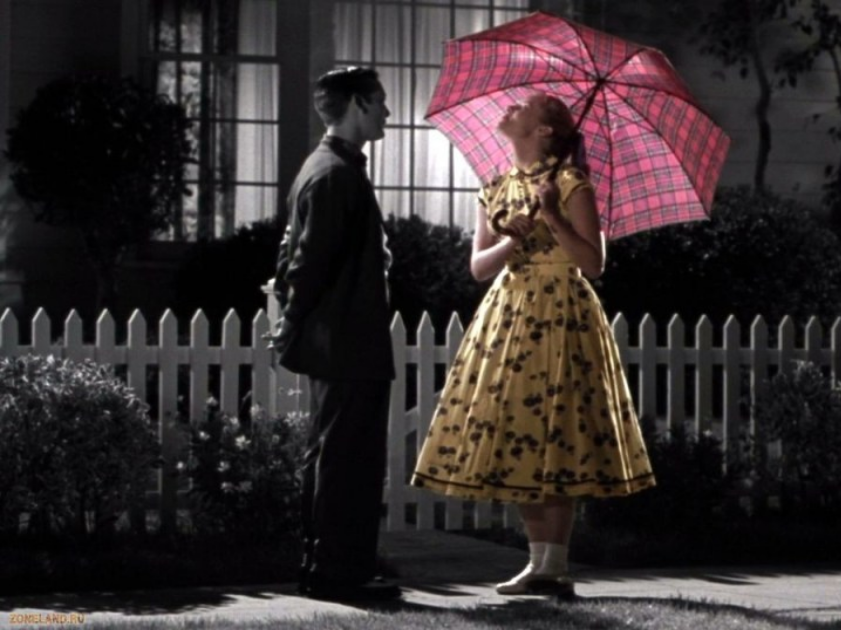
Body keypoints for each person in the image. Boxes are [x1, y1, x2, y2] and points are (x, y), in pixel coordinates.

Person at [410, 92, 656, 597]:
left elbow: (592, 264)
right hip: (512, 312)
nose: (509, 109)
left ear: (545, 131)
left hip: (562, 312)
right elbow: (478, 268)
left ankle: (555, 566)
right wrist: (513, 240)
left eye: (523, 106)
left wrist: (553, 215)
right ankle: (537, 563)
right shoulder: (495, 189)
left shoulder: (570, 184)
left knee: (556, 428)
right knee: (519, 430)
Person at [270, 66, 399, 601]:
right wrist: (290, 322)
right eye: (381, 101)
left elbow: (292, 251)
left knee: (335, 453)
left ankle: (331, 563)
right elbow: (305, 263)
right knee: (348, 457)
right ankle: (339, 571)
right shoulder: (335, 175)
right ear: (357, 105)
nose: (388, 111)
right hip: (347, 339)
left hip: (342, 336)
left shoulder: (325, 169)